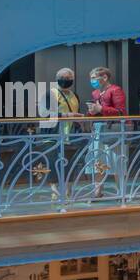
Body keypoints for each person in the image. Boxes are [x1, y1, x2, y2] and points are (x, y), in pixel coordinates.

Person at [85, 67, 127, 199]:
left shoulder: (116, 90)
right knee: (98, 159)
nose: (92, 81)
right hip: (98, 129)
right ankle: (98, 191)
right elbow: (97, 113)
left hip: (113, 129)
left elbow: (121, 112)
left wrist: (101, 108)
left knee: (117, 159)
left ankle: (121, 191)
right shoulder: (95, 93)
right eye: (91, 78)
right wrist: (91, 113)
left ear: (104, 78)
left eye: (94, 78)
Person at [47, 68, 82, 200]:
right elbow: (46, 114)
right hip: (53, 134)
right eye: (63, 77)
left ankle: (68, 190)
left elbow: (78, 111)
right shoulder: (51, 94)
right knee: (53, 161)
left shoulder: (75, 95)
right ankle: (54, 190)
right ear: (57, 78)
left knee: (70, 161)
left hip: (71, 133)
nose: (66, 80)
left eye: (69, 78)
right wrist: (67, 115)